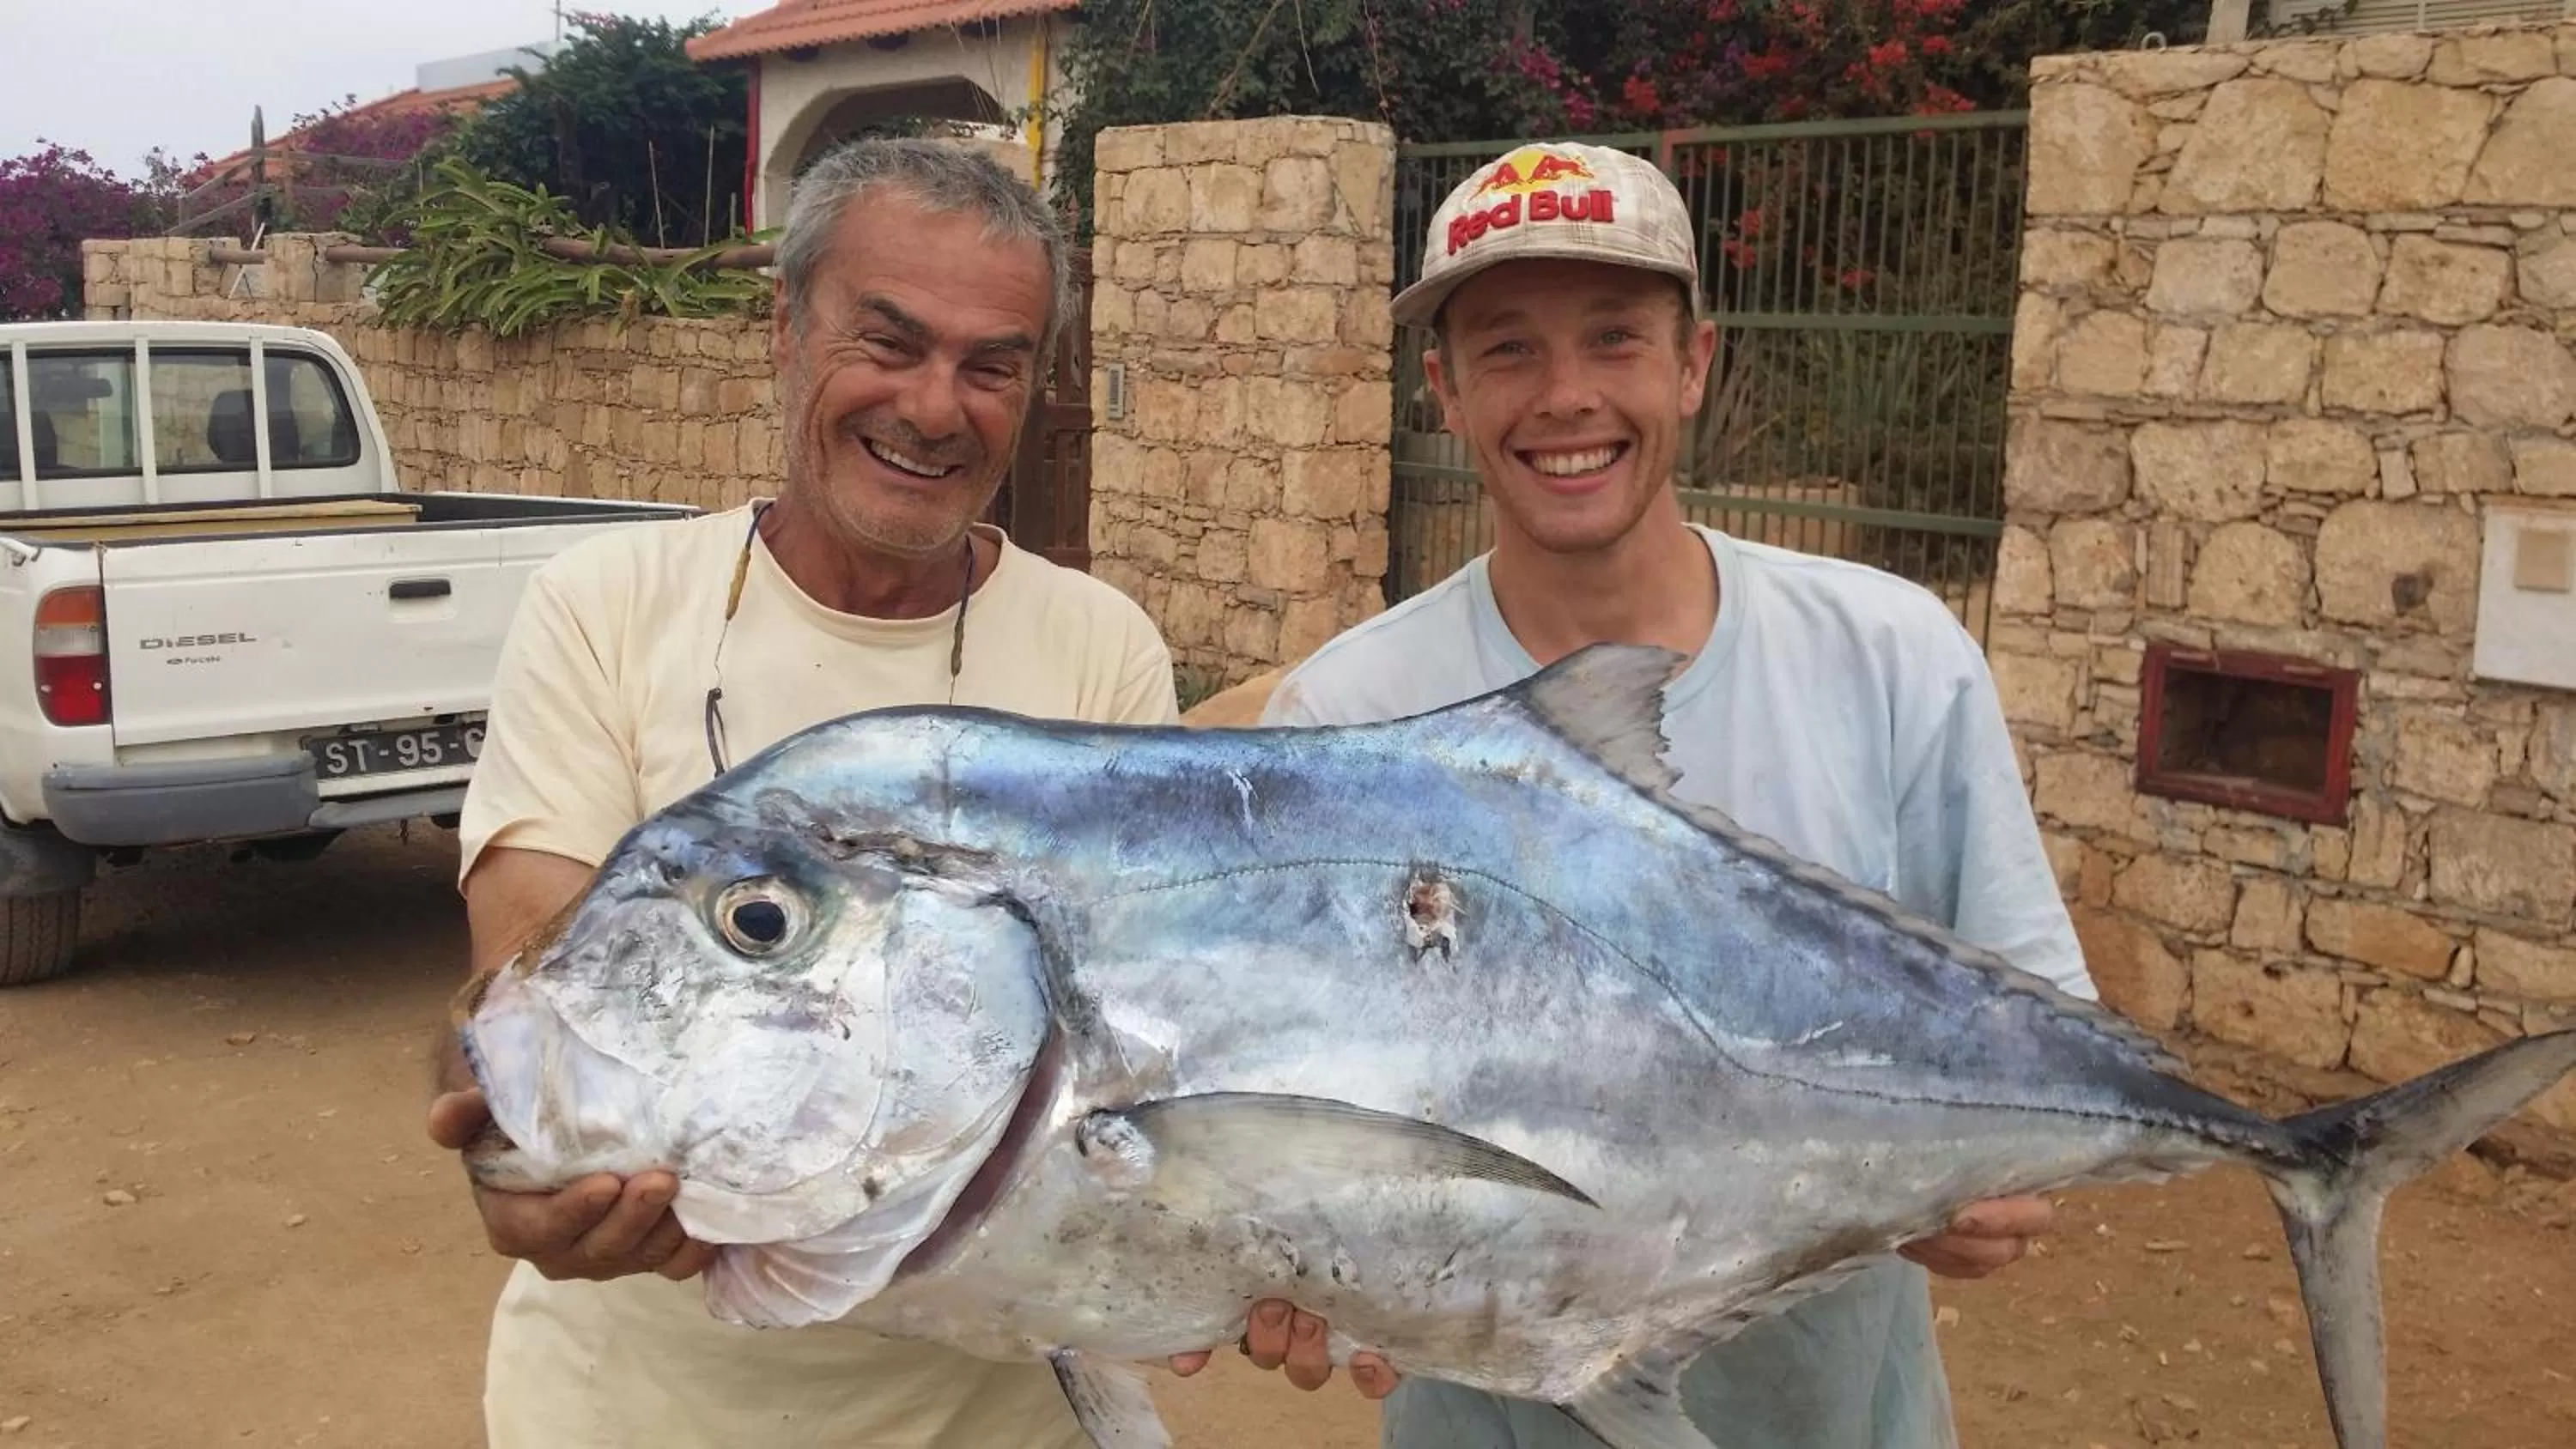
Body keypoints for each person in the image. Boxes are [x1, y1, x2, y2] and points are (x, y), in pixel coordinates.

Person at [421, 137, 1370, 1446]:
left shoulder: (1099, 649)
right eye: (890, 341)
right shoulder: (606, 609)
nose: (937, 407)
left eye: (994, 365)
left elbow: (1145, 1060)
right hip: (634, 1415)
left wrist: (1292, 1238)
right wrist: (509, 1130)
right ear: (785, 330)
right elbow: (529, 984)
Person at [1257, 141, 2093, 1448]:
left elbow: (2034, 1039)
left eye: (1614, 339)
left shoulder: (1893, 655)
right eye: (1509, 350)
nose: (1566, 397)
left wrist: (1986, 1181)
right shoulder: (1348, 719)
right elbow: (1304, 1114)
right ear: (1444, 391)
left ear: (1694, 362)